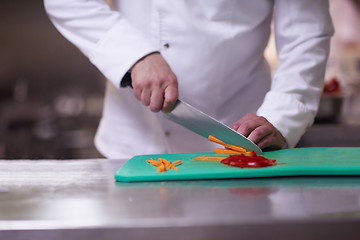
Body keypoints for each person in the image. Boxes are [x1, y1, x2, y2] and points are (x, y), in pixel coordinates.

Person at [44, 0, 334, 159]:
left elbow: (305, 33)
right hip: (128, 144)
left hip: (238, 147)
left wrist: (282, 115)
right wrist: (135, 55)